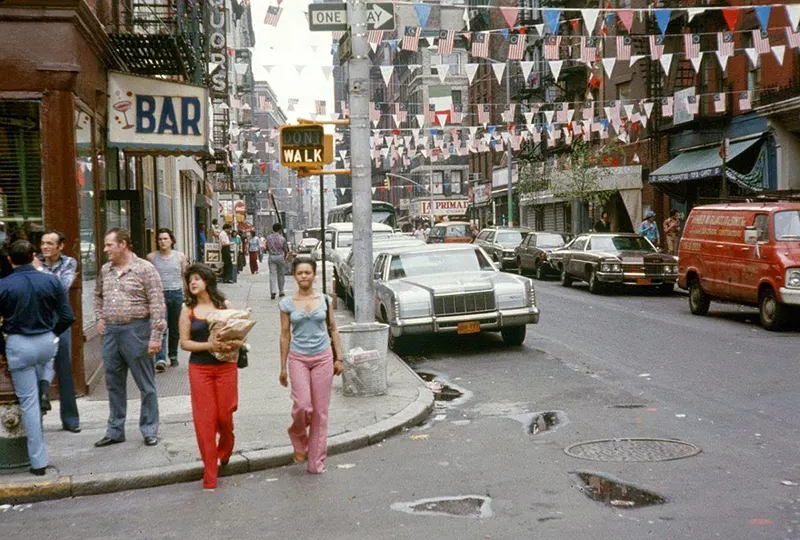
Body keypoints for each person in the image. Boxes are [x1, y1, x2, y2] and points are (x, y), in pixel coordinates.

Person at [0, 240, 75, 475]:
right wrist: (53, 334)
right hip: (45, 339)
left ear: (10, 260)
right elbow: (67, 316)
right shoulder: (51, 280)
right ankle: (44, 385)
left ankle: (38, 461)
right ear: (34, 256)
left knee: (29, 404)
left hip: (19, 343)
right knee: (47, 361)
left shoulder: (3, 285)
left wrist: (3, 347)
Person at [93, 228, 166, 448]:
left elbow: (157, 304)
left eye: (109, 245)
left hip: (137, 331)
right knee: (113, 383)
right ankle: (115, 430)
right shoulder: (106, 270)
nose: (105, 249)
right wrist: (99, 317)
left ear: (123, 244)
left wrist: (156, 336)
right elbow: (98, 295)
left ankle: (149, 429)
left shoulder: (145, 269)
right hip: (111, 333)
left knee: (146, 383)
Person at [179, 264, 242, 491]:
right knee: (205, 421)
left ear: (207, 281)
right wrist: (209, 345)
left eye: (197, 278)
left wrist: (235, 341)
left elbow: (236, 334)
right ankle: (210, 475)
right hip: (200, 369)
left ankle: (225, 448)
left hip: (226, 367)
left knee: (225, 415)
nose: (192, 283)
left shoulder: (224, 306)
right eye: (189, 280)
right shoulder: (188, 310)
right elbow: (184, 343)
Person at [279, 258, 343, 474]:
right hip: (298, 358)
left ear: (314, 275)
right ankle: (298, 439)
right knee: (302, 406)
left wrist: (339, 358)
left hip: (323, 358)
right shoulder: (287, 303)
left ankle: (316, 462)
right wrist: (282, 367)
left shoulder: (324, 300)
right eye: (300, 273)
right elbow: (285, 334)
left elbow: (333, 328)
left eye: (308, 272)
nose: (304, 276)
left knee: (319, 412)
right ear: (295, 276)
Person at [38, 231, 81, 432]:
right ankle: (36, 419)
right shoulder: (34, 261)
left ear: (60, 246)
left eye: (49, 243)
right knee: (37, 369)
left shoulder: (69, 262)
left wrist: (40, 273)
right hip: (38, 318)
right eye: (43, 243)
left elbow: (62, 286)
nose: (45, 247)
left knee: (64, 369)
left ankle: (70, 420)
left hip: (59, 319)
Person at [147, 228, 187, 372]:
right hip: (160, 296)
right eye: (160, 239)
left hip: (176, 294)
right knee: (161, 327)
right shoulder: (152, 258)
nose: (162, 242)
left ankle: (173, 355)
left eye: (165, 239)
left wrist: (188, 296)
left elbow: (184, 276)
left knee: (175, 328)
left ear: (171, 241)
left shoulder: (180, 257)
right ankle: (161, 358)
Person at [266, 223, 289, 300]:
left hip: (271, 256)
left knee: (272, 274)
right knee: (281, 274)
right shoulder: (282, 238)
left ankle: (273, 291)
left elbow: (266, 248)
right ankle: (281, 290)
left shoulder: (268, 238)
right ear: (280, 229)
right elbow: (286, 249)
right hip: (280, 256)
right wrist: (285, 258)